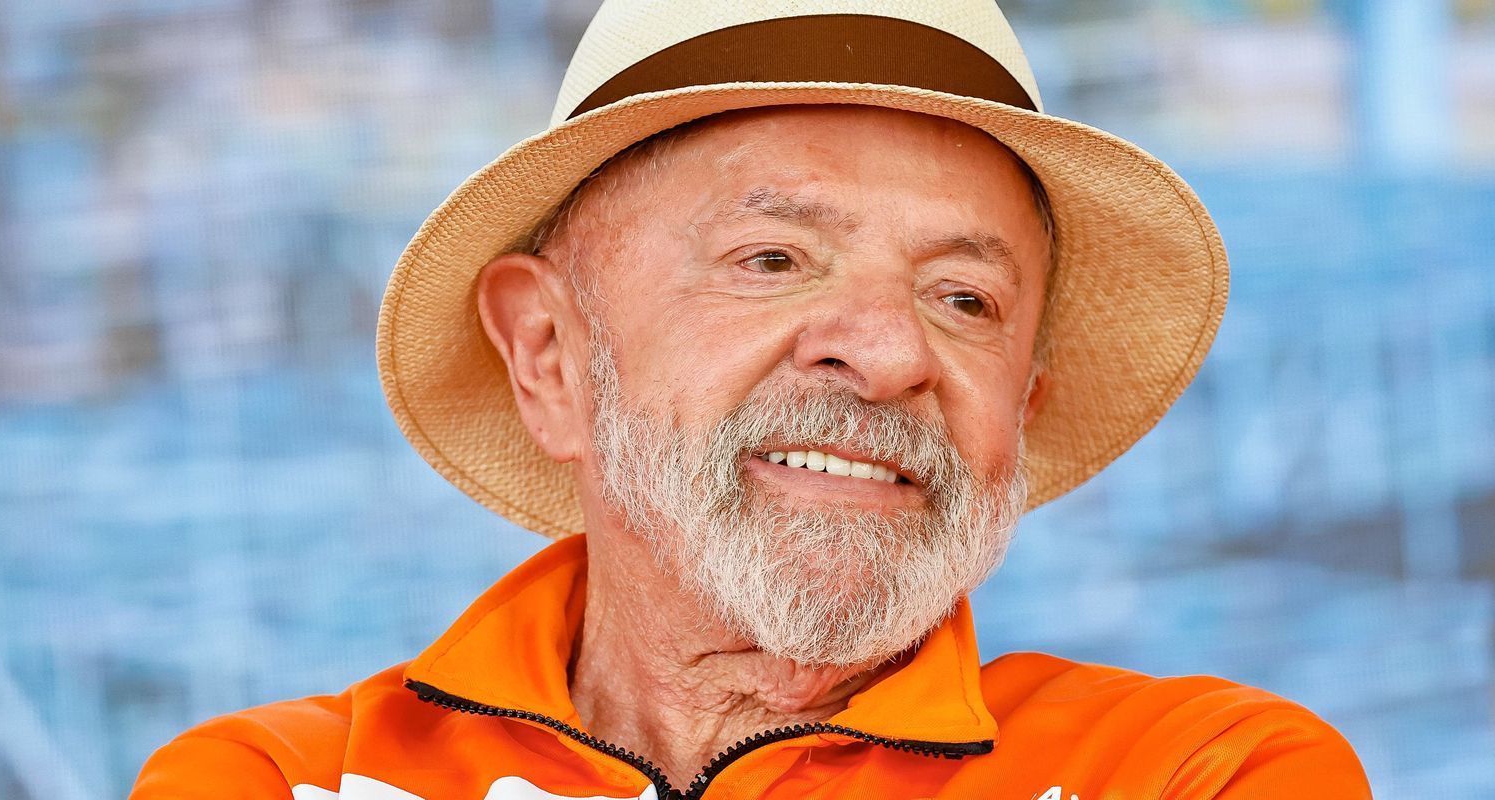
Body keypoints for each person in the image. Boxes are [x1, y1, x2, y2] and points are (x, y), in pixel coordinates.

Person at [133, 2, 1371, 798]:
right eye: (772, 259)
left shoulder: (1198, 769)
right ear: (550, 355)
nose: (885, 352)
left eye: (964, 299)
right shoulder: (279, 777)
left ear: (1024, 409)